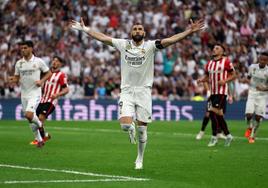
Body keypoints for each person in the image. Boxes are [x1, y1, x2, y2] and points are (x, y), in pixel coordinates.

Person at [70, 18, 204, 169]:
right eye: (135, 29)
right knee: (125, 126)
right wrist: (85, 29)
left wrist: (189, 31)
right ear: (131, 32)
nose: (138, 31)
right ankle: (130, 128)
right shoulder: (123, 44)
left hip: (144, 92)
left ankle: (140, 158)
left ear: (144, 33)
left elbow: (171, 40)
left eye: (140, 29)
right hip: (126, 91)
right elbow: (103, 38)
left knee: (142, 130)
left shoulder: (151, 46)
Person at [8, 40, 52, 148]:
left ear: (31, 48)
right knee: (30, 119)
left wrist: (41, 81)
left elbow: (49, 73)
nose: (23, 50)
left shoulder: (38, 61)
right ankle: (40, 140)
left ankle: (41, 125)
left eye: (25, 48)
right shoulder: (19, 63)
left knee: (29, 115)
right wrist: (13, 80)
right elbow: (17, 77)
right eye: (22, 48)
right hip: (24, 94)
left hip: (35, 93)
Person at [197, 44, 236, 147]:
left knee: (213, 111)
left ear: (222, 51)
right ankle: (227, 135)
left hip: (221, 92)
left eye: (217, 48)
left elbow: (234, 75)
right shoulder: (209, 63)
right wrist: (201, 80)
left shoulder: (226, 61)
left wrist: (225, 80)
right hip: (212, 93)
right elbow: (207, 77)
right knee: (216, 114)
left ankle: (215, 137)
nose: (214, 49)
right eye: (214, 48)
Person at [30, 56, 69, 145]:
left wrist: (57, 95)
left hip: (51, 101)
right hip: (42, 100)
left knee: (40, 119)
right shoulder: (47, 74)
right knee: (34, 120)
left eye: (57, 61)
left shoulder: (61, 75)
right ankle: (45, 135)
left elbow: (66, 90)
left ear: (60, 64)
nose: (54, 62)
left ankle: (39, 139)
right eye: (53, 60)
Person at [243, 52, 268, 143]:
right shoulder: (252, 67)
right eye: (261, 59)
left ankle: (253, 134)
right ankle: (249, 127)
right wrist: (246, 80)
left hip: (262, 96)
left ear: (267, 61)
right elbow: (248, 77)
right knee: (249, 115)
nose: (262, 61)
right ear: (259, 59)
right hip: (252, 93)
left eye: (265, 60)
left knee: (258, 117)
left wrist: (264, 88)